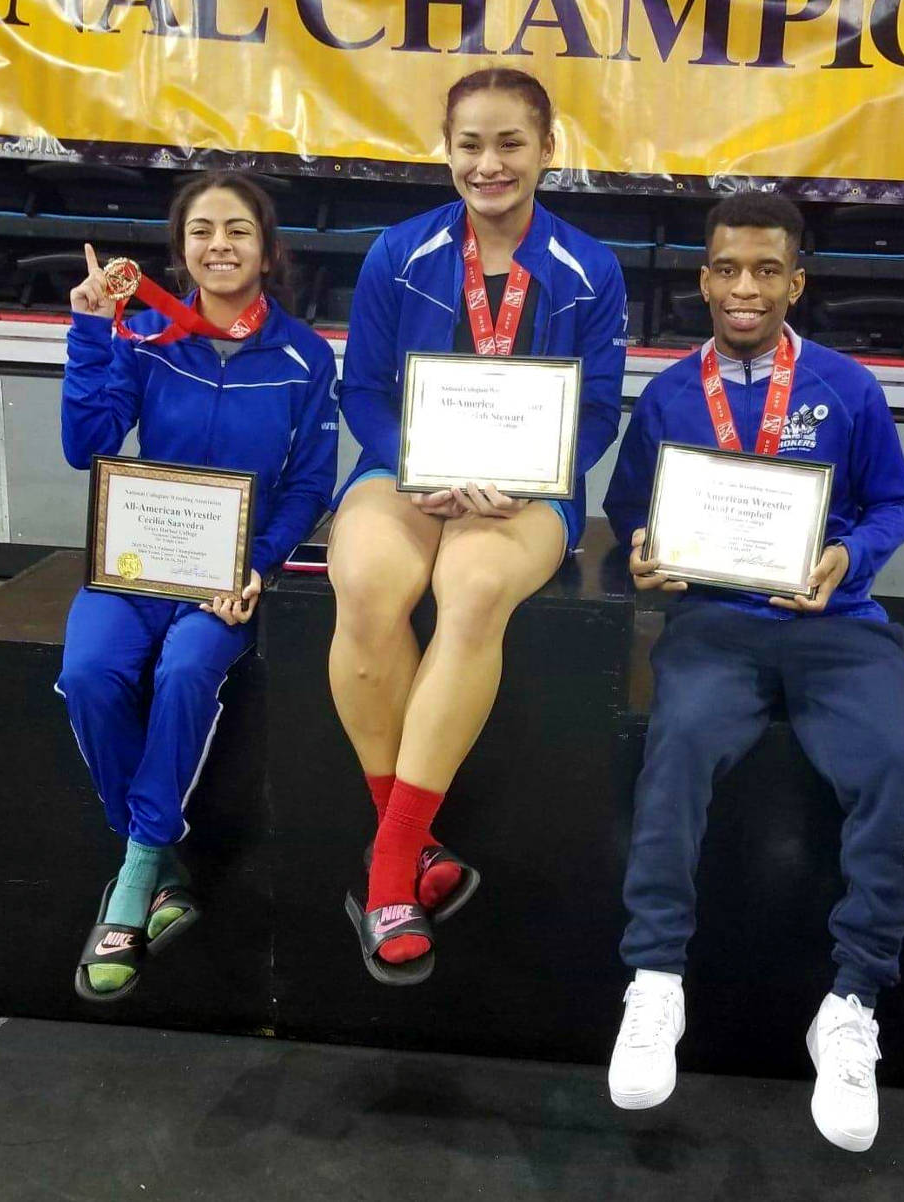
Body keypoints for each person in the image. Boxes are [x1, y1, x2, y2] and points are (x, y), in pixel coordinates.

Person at [602, 192, 904, 1152]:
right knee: (680, 747)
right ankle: (656, 979)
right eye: (728, 270)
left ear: (796, 280)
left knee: (894, 765)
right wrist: (642, 551)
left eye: (766, 271)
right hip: (714, 623)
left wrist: (848, 562)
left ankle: (852, 1002)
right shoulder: (667, 394)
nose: (746, 289)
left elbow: (893, 504)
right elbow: (629, 512)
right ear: (704, 278)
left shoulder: (847, 386)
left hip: (835, 622)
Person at [331, 67, 627, 985]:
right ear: (446, 149)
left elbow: (601, 412)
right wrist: (416, 468)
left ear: (548, 150)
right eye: (469, 144)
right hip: (407, 470)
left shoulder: (591, 268)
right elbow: (364, 390)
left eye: (509, 143)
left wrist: (531, 475)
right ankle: (415, 848)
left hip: (528, 489)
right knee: (370, 583)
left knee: (473, 587)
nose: (488, 162)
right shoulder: (398, 253)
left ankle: (386, 870)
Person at [58, 171, 338, 1001]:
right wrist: (90, 331)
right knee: (89, 676)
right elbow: (89, 444)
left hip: (228, 575)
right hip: (138, 561)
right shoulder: (143, 335)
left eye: (238, 230)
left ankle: (137, 875)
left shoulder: (302, 355)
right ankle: (158, 853)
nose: (220, 245)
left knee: (187, 671)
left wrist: (261, 564)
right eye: (202, 230)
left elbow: (309, 485)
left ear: (267, 247)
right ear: (180, 250)